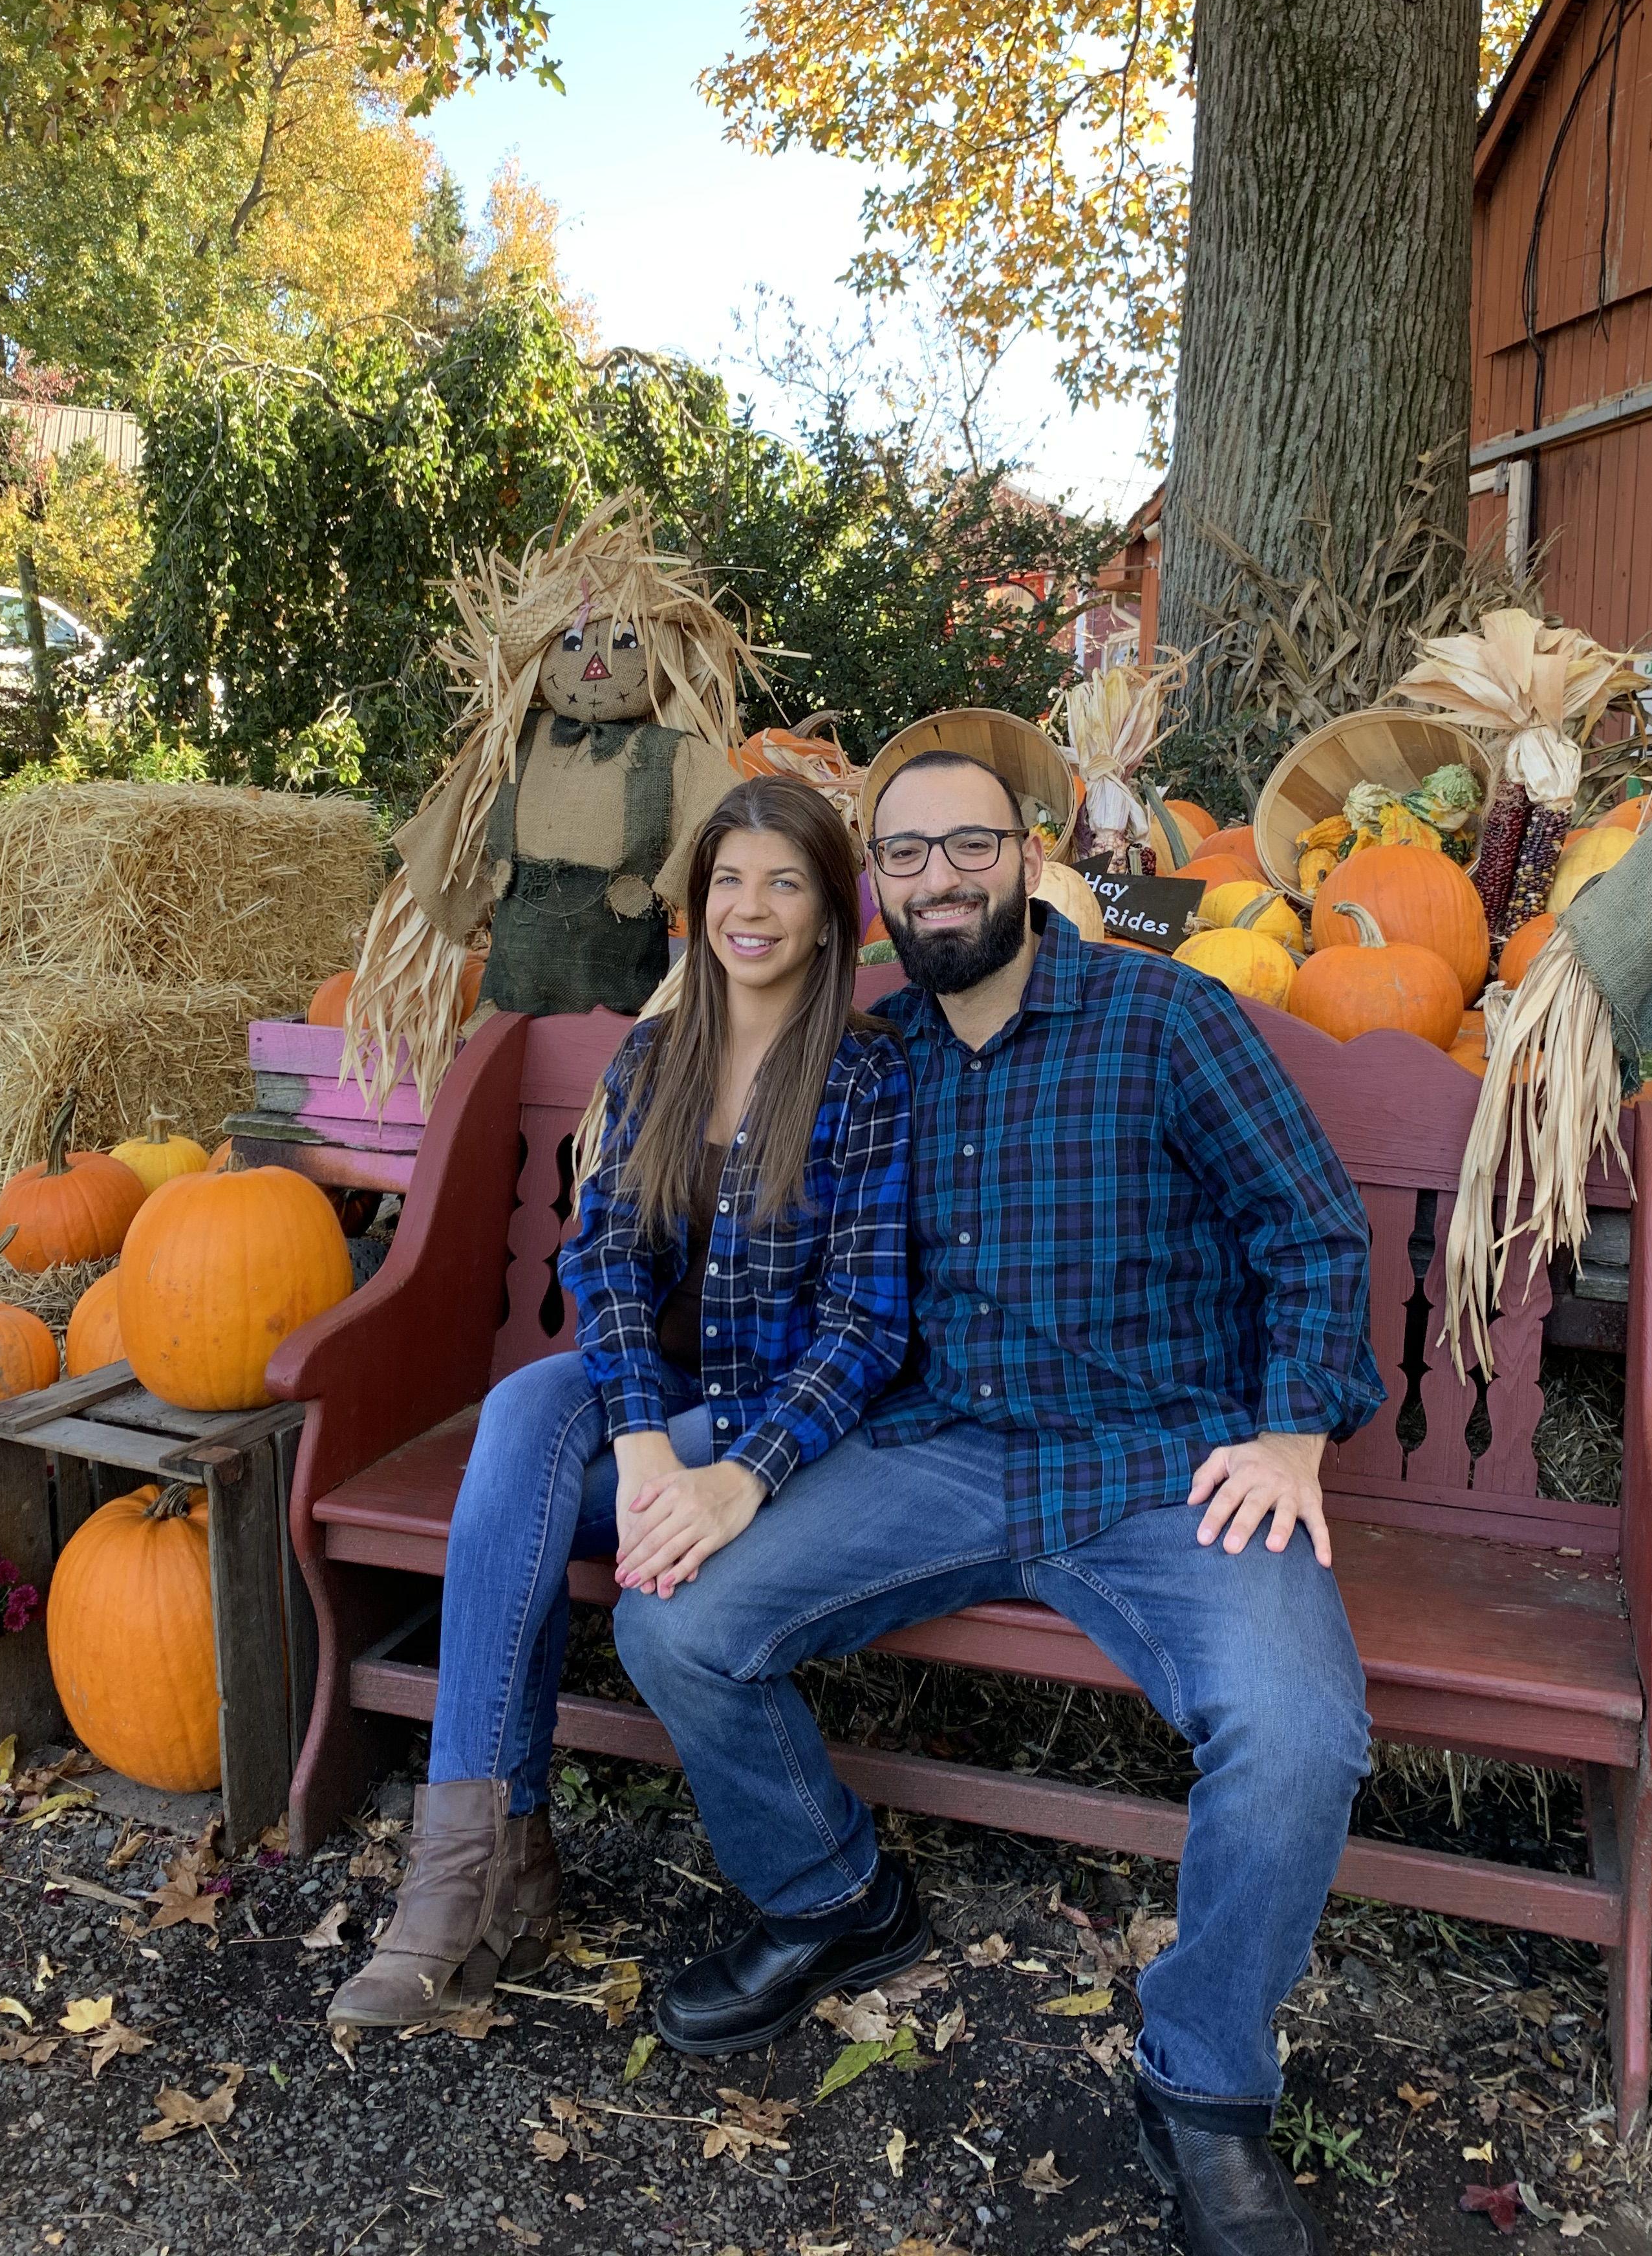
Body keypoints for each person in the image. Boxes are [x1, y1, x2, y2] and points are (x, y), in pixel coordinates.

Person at [614, 751, 1388, 2256]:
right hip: (942, 1450)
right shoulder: (882, 1054)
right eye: (905, 857)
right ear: (879, 892)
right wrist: (697, 1446)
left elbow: (1310, 1225)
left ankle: (1207, 2077)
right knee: (681, 1628)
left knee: (1298, 1733)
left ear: (1027, 858)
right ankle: (833, 1894)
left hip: (1164, 1468)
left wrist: (1295, 1430)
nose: (940, 879)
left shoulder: (1166, 1019)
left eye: (969, 847)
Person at [327, 776, 914, 2028]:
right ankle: (484, 1868)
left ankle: (483, 1879)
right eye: (729, 881)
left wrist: (718, 1467)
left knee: (514, 1500)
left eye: (785, 882)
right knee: (527, 1416)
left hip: (773, 1420)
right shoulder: (657, 1053)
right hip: (658, 1410)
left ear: (829, 915)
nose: (750, 907)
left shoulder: (868, 1074)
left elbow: (868, 1326)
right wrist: (644, 1435)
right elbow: (602, 1260)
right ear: (697, 904)